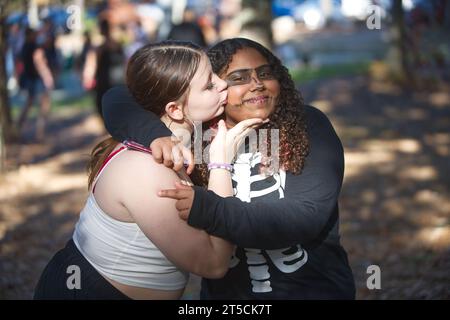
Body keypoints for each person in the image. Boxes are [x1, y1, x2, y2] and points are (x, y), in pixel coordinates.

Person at [102, 38, 356, 299]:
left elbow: (304, 216)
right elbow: (117, 97)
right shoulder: (201, 132)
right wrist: (156, 134)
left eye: (265, 73)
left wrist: (210, 210)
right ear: (217, 89)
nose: (257, 84)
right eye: (239, 77)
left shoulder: (306, 126)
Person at [34, 41, 263, 300]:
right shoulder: (147, 170)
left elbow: (118, 95)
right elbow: (214, 263)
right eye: (209, 85)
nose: (223, 84)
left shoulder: (164, 141)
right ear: (174, 110)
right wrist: (221, 162)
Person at [17, 27, 54, 141]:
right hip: (37, 80)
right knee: (43, 106)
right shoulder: (34, 47)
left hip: (29, 79)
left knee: (29, 105)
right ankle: (40, 133)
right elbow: (39, 63)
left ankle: (18, 128)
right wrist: (47, 77)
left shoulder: (24, 46)